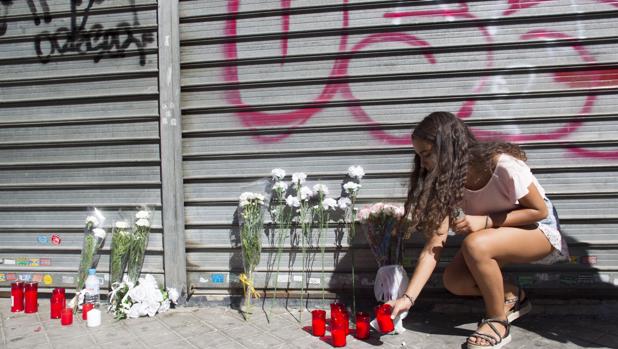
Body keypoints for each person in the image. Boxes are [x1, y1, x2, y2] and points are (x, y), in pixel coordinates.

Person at [387, 111, 569, 349]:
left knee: (475, 244)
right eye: (419, 157)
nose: (423, 164)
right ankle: (513, 296)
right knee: (455, 280)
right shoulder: (447, 183)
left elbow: (539, 212)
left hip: (540, 232)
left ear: (449, 147)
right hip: (496, 237)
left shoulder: (502, 165)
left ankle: (498, 322)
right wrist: (407, 299)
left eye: (427, 154)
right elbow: (434, 245)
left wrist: (484, 222)